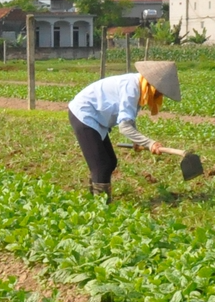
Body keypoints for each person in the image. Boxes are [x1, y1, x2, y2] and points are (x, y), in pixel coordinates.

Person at [65, 60, 181, 199]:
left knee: (110, 161)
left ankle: (95, 197)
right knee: (101, 164)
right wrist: (149, 143)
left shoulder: (139, 87)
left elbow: (129, 119)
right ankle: (100, 206)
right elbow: (124, 127)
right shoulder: (132, 88)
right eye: (158, 92)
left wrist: (137, 141)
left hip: (97, 119)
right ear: (152, 84)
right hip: (84, 115)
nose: (158, 96)